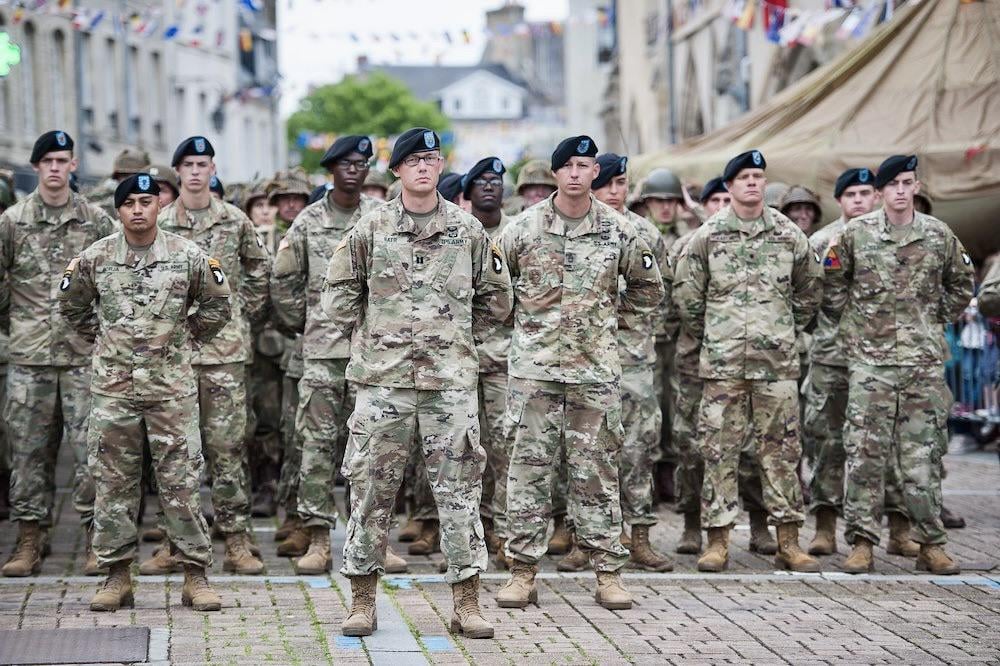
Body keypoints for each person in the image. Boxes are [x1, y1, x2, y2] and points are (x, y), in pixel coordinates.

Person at [322, 127, 512, 638]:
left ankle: (467, 603)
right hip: (383, 384)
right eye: (415, 160)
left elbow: (497, 301)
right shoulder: (371, 228)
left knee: (459, 494)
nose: (425, 167)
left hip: (449, 385)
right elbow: (337, 295)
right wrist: (376, 329)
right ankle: (362, 600)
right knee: (370, 491)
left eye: (432, 159)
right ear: (399, 170)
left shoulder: (468, 230)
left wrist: (452, 337)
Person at [495, 135, 663, 610]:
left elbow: (650, 291)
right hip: (535, 373)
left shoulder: (622, 232)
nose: (574, 173)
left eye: (584, 165)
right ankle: (522, 571)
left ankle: (607, 572)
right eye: (566, 165)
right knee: (528, 471)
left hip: (594, 372)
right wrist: (524, 325)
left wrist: (606, 316)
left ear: (596, 173)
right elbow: (490, 288)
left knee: (596, 472)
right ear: (554, 174)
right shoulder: (521, 229)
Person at [59, 173, 229, 613]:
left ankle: (195, 575)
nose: (138, 209)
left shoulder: (188, 256)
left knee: (182, 483)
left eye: (146, 201)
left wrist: (183, 339)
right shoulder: (95, 259)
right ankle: (116, 576)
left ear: (160, 206)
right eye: (129, 202)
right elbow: (72, 307)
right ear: (118, 210)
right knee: (113, 484)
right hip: (114, 390)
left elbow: (217, 304)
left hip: (170, 389)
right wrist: (104, 340)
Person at [822, 155, 974, 575]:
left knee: (922, 456)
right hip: (871, 364)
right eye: (893, 185)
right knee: (865, 455)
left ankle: (930, 542)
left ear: (917, 187)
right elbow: (832, 285)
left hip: (921, 364)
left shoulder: (938, 235)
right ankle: (862, 542)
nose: (901, 191)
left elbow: (962, 283)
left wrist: (933, 317)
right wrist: (855, 328)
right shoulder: (856, 234)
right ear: (880, 193)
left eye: (908, 183)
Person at [673, 149, 823, 573]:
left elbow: (810, 290)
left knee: (781, 452)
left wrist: (781, 329)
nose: (753, 183)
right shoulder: (708, 235)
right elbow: (688, 297)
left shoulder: (788, 234)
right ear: (730, 186)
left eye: (758, 176)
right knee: (719, 451)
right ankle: (717, 541)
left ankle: (789, 542)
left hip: (775, 366)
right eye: (744, 178)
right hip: (723, 366)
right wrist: (718, 335)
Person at [151, 136, 270, 575]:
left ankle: (236, 542)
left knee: (227, 449)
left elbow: (259, 272)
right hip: (171, 358)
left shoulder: (235, 221)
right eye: (188, 164)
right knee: (174, 453)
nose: (196, 171)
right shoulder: (158, 222)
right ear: (177, 171)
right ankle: (173, 541)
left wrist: (240, 314)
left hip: (223, 355)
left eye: (203, 163)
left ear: (213, 168)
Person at [271, 135, 389, 574]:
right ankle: (317, 537)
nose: (354, 170)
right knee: (316, 446)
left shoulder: (381, 218)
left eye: (361, 163)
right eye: (346, 164)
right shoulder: (307, 222)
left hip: (374, 354)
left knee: (372, 449)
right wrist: (308, 322)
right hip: (321, 354)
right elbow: (282, 283)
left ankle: (372, 539)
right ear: (332, 170)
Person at [1, 131, 114, 577]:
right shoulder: (12, 221)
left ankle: (95, 538)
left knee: (93, 451)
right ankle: (30, 540)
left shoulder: (96, 221)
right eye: (46, 159)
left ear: (73, 165)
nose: (54, 167)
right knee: (28, 452)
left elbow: (116, 274)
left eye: (62, 159)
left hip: (84, 356)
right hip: (29, 358)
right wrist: (18, 322)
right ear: (36, 166)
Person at [805, 167, 916, 558]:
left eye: (865, 193)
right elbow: (808, 298)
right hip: (833, 358)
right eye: (850, 194)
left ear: (876, 196)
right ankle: (825, 525)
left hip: (884, 359)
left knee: (889, 445)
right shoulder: (820, 242)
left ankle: (899, 528)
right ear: (839, 200)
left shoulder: (895, 240)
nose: (858, 200)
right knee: (828, 443)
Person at [575, 151, 673, 572]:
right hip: (585, 360)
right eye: (608, 184)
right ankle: (589, 540)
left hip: (632, 360)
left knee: (638, 450)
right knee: (586, 452)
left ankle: (640, 537)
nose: (616, 192)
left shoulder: (644, 232)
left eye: (622, 184)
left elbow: (660, 293)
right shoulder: (577, 230)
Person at [460, 156, 515, 566]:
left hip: (502, 362)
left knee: (503, 451)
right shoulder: (458, 234)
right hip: (457, 364)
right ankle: (465, 535)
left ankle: (502, 532)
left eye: (495, 180)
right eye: (480, 181)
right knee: (460, 454)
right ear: (468, 192)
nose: (489, 187)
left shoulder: (516, 233)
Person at [86, 148, 152, 217]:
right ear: (117, 179)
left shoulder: (155, 199)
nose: (129, 181)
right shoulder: (101, 199)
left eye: (134, 176)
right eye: (124, 176)